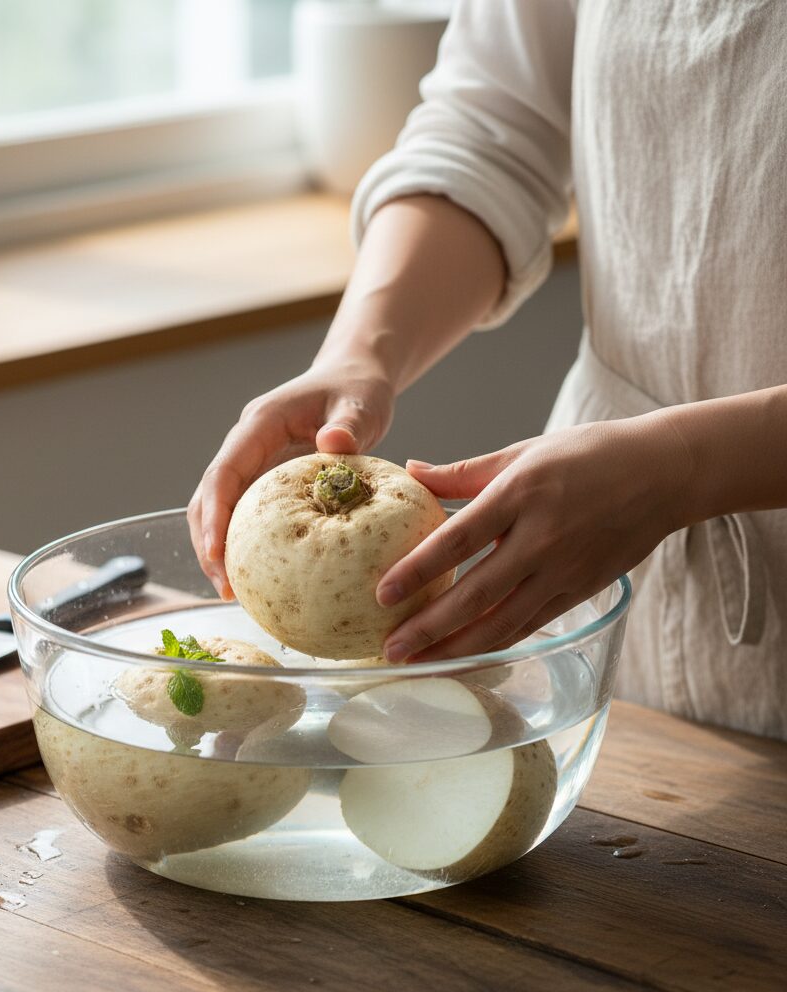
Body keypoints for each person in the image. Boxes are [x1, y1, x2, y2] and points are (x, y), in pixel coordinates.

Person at [188, 0, 787, 740]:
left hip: (628, 491)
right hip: (599, 545)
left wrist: (686, 464)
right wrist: (359, 352)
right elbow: (493, 131)